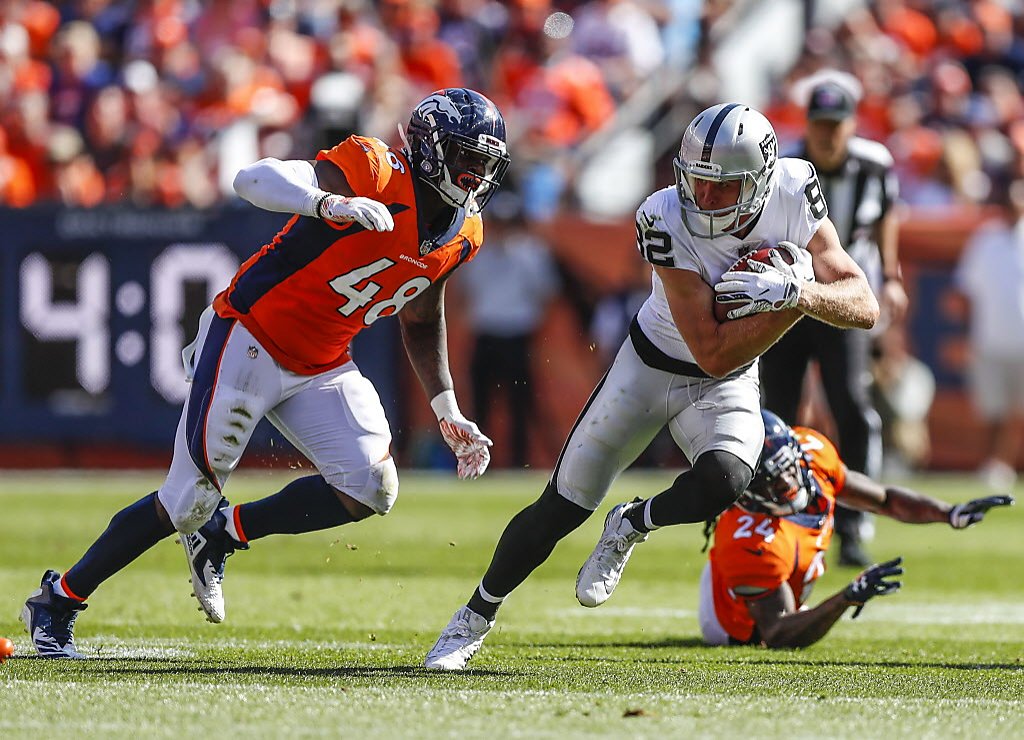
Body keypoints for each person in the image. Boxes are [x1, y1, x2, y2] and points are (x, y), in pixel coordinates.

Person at [21, 88, 511, 658]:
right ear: (430, 149)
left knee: (370, 487)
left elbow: (422, 317)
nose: (477, 175)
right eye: (467, 158)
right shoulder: (374, 170)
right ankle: (58, 600)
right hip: (248, 337)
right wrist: (327, 204)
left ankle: (224, 533)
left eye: (487, 162)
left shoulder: (464, 233)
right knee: (185, 501)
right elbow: (251, 178)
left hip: (323, 362)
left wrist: (447, 409)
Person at [424, 102, 880, 671]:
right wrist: (789, 304)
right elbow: (710, 350)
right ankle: (472, 619)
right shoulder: (664, 215)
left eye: (724, 187)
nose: (705, 199)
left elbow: (863, 303)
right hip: (653, 365)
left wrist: (799, 294)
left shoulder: (795, 187)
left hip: (730, 382)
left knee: (729, 478)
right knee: (561, 508)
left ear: (762, 181)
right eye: (697, 182)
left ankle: (632, 524)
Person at [698, 410, 1013, 648]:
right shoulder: (748, 541)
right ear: (747, 494)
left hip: (776, 572)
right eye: (774, 482)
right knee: (765, 629)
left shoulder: (813, 454)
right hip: (736, 620)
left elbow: (885, 499)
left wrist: (950, 513)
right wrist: (845, 598)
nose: (790, 482)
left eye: (789, 467)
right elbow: (776, 632)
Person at [760, 78, 908, 567]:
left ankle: (852, 524)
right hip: (792, 297)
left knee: (850, 402)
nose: (827, 134)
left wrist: (890, 273)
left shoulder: (875, 165)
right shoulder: (786, 170)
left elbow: (886, 214)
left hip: (844, 302)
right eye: (819, 124)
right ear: (808, 124)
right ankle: (776, 515)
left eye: (835, 124)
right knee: (776, 407)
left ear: (851, 123)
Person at [460, 192, 560, 468]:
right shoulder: (478, 253)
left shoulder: (531, 253)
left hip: (517, 333)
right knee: (480, 403)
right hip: (486, 332)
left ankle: (518, 462)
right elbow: (466, 291)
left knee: (520, 404)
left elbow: (545, 292)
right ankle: (478, 461)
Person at [953, 179, 1024, 494]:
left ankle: (1002, 465)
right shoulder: (986, 239)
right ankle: (994, 464)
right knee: (993, 409)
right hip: (990, 339)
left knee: (1015, 410)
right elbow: (968, 290)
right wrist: (970, 334)